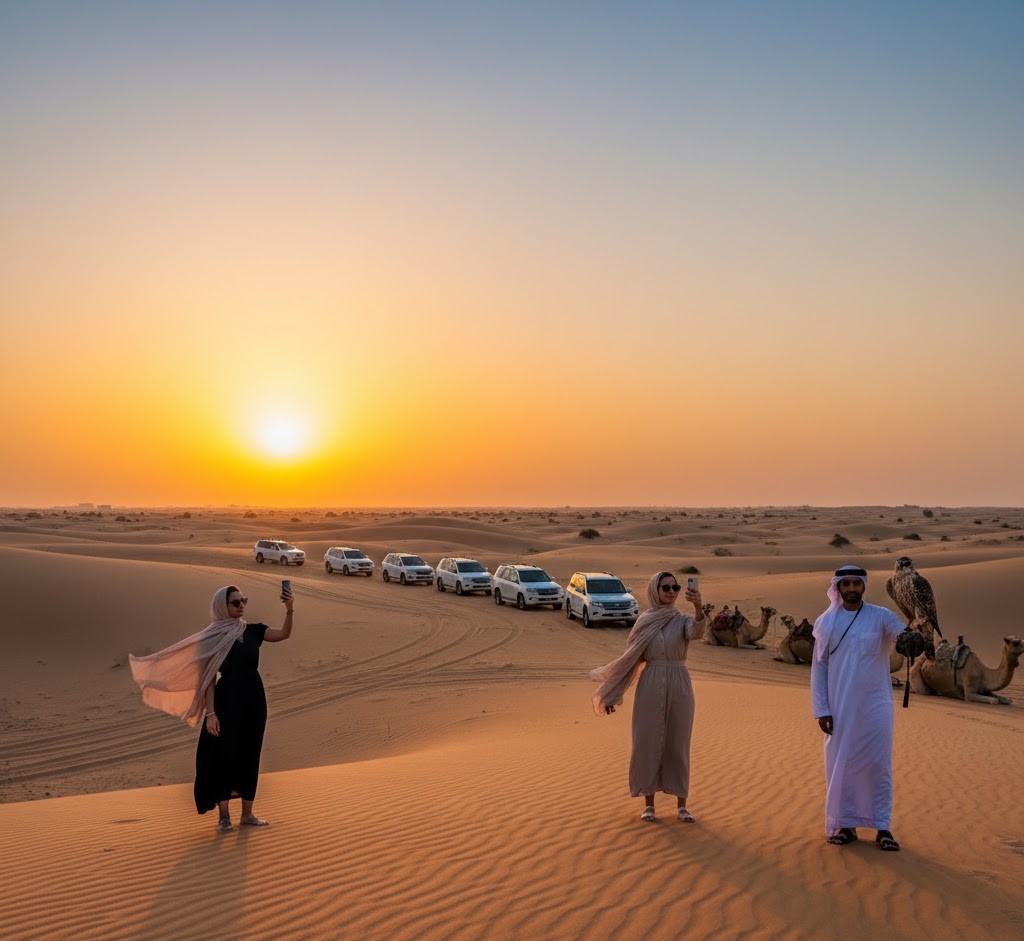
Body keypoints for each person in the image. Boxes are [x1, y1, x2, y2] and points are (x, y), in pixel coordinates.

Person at [130, 584, 294, 832]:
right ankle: (224, 817)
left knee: (250, 752)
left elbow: (283, 634)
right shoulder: (212, 637)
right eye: (235, 602)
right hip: (226, 701)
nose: (241, 606)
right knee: (223, 755)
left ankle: (247, 814)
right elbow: (208, 678)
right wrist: (211, 713)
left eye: (244, 601)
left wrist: (290, 610)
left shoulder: (253, 631)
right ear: (222, 606)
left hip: (254, 700)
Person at [591, 571, 705, 823]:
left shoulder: (682, 620)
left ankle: (682, 805)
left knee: (678, 744)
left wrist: (698, 606)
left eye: (675, 587)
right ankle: (649, 804)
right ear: (655, 590)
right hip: (650, 684)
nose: (672, 592)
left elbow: (697, 632)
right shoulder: (644, 621)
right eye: (666, 587)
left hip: (680, 684)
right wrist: (612, 693)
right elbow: (630, 659)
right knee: (647, 743)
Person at [811, 564, 904, 851]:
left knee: (878, 765)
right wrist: (822, 709)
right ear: (837, 587)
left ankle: (882, 827)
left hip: (876, 706)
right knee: (842, 765)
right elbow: (819, 668)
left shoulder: (881, 616)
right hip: (839, 707)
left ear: (864, 585)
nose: (851, 588)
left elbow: (901, 635)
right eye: (846, 584)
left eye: (856, 583)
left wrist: (911, 638)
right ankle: (845, 825)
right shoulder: (826, 622)